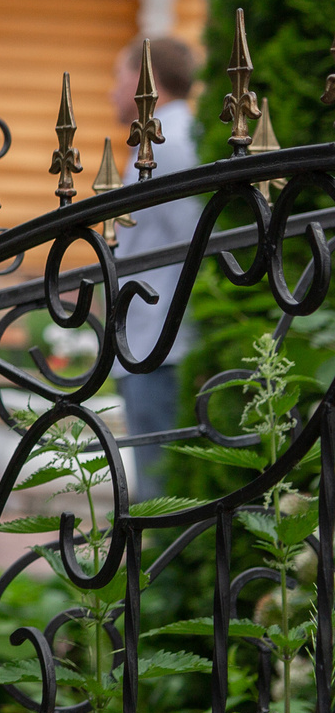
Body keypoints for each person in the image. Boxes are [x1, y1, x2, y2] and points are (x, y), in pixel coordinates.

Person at [109, 35, 201, 498]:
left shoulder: (164, 143)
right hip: (159, 336)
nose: (113, 89)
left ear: (144, 81)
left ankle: (157, 573)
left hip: (161, 339)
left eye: (118, 75)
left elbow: (195, 242)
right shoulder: (176, 135)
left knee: (159, 494)